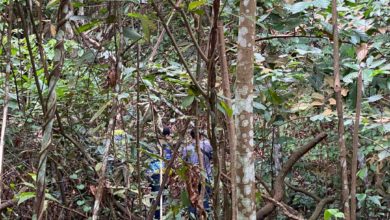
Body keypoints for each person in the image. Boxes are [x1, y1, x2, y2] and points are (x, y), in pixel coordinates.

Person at [181, 129, 213, 218]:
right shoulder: (207, 144)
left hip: (192, 179)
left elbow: (184, 163)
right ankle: (205, 216)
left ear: (191, 136)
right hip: (206, 176)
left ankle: (193, 217)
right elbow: (212, 156)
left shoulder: (186, 148)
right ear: (201, 135)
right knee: (205, 200)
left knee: (193, 200)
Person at [146, 127, 172, 219]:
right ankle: (157, 216)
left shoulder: (151, 145)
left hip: (152, 172)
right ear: (168, 135)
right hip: (161, 172)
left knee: (155, 195)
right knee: (160, 196)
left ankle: (154, 215)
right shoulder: (168, 146)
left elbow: (147, 159)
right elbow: (169, 160)